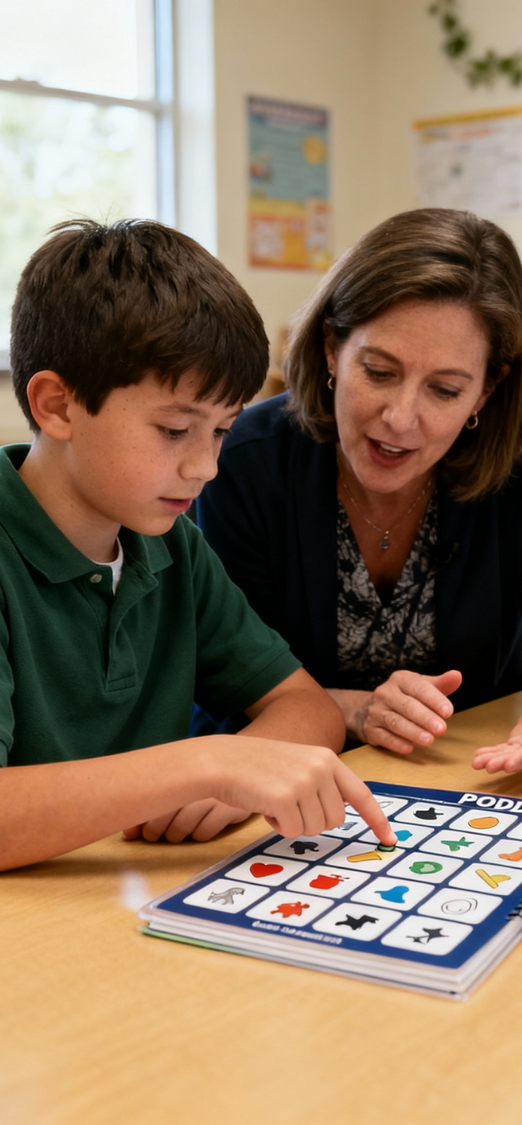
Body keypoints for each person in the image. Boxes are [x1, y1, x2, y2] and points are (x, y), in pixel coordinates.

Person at [196, 208, 522, 774]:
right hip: (291, 778)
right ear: (331, 347)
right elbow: (220, 685)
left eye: (445, 390)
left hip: (477, 770)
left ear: (486, 391)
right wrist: (354, 711)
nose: (401, 418)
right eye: (378, 372)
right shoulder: (246, 457)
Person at [0, 218, 394, 872]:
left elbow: (306, 707)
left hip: (125, 906)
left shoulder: (171, 547)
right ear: (58, 405)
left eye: (220, 432)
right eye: (176, 429)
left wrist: (235, 774)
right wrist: (202, 762)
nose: (205, 467)